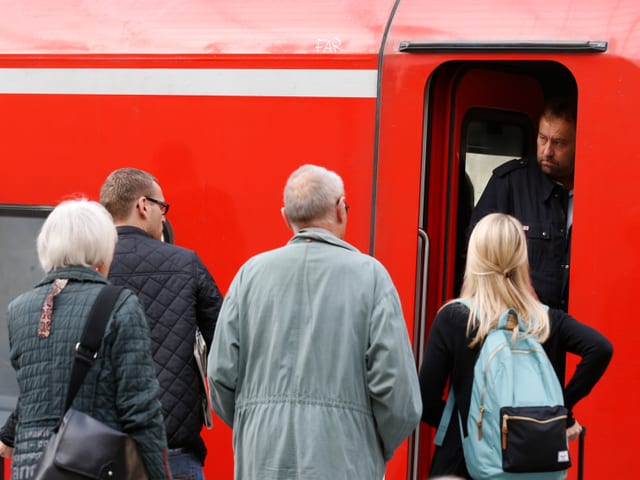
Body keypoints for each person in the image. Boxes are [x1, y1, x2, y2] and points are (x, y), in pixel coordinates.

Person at [207, 164, 422, 479]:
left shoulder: (249, 275)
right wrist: (369, 443)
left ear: (285, 216)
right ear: (340, 209)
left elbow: (220, 375)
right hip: (345, 460)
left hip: (262, 458)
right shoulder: (371, 276)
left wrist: (256, 421)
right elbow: (400, 398)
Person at [419, 213, 613, 479]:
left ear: (476, 258)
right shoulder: (546, 319)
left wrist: (475, 423)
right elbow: (600, 348)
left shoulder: (455, 318)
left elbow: (425, 401)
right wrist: (559, 414)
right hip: (534, 460)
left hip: (463, 464)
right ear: (521, 258)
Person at [2, 199, 171, 479]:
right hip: (90, 467)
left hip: (31, 470)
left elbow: (32, 392)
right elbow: (141, 412)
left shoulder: (18, 309)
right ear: (102, 249)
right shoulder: (121, 305)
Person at [100, 168, 223, 480]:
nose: (164, 218)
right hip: (174, 453)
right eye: (162, 208)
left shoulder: (89, 268)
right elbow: (225, 346)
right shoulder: (185, 263)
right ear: (143, 206)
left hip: (97, 452)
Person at [469, 96, 577, 311]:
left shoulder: (599, 187)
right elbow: (478, 256)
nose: (547, 151)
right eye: (542, 138)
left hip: (575, 325)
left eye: (559, 143)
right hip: (519, 323)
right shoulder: (509, 183)